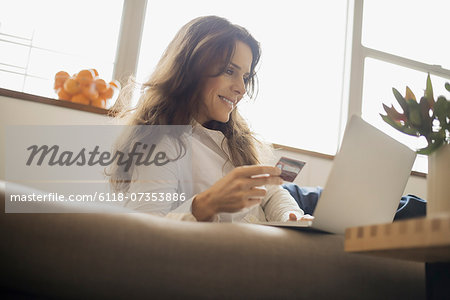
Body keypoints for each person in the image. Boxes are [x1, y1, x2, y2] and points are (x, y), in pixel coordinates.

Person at [108, 15, 311, 223]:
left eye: (245, 77)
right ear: (191, 69)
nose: (241, 89)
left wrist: (289, 215)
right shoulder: (161, 143)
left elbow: (271, 194)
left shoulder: (237, 142)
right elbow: (143, 231)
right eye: (229, 71)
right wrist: (205, 205)